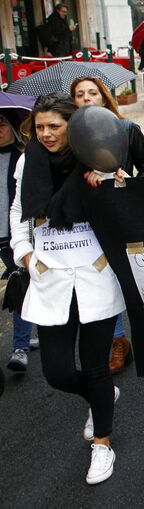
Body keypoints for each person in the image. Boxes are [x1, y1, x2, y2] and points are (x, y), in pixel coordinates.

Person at [11, 93, 127, 483]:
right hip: (51, 277)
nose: (45, 134)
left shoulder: (95, 154)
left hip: (94, 275)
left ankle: (103, 444)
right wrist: (23, 252)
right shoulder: (30, 160)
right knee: (57, 373)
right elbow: (18, 209)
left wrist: (110, 179)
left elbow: (125, 200)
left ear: (72, 127)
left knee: (96, 366)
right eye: (39, 127)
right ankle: (100, 396)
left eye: (54, 127)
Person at [70, 76, 144, 373]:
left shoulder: (127, 129)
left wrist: (126, 183)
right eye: (79, 95)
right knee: (101, 277)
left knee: (128, 278)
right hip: (87, 218)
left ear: (104, 98)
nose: (86, 99)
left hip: (122, 214)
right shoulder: (70, 137)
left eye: (92, 93)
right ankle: (118, 339)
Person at [1, 112, 34, 375]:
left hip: (15, 234)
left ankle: (20, 347)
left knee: (19, 286)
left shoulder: (23, 158)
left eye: (1, 125)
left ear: (13, 128)